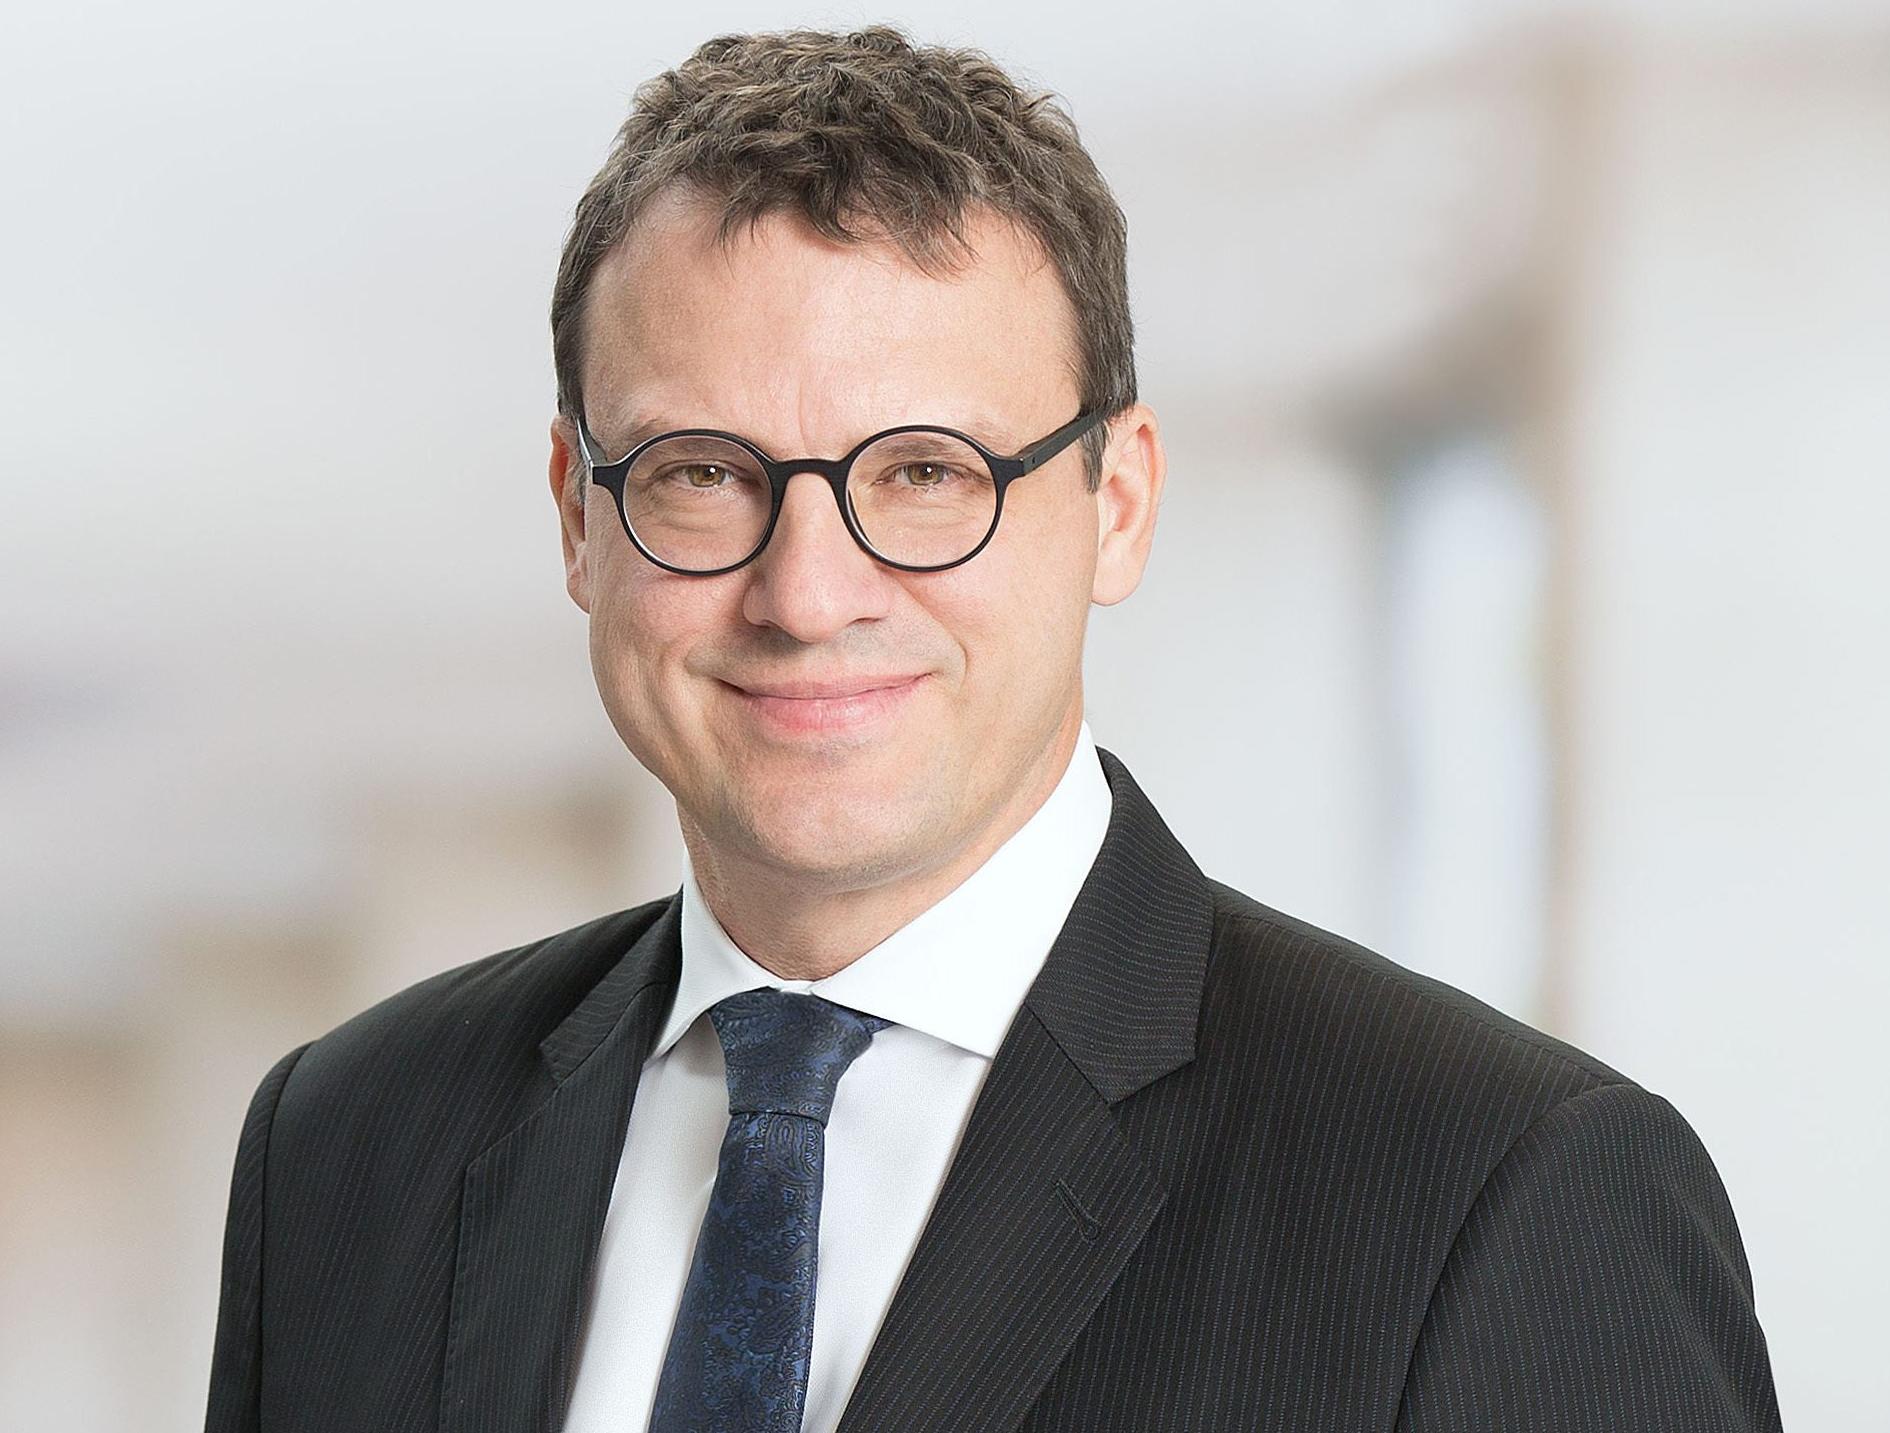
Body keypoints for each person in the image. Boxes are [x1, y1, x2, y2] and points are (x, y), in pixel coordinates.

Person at [203, 25, 1782, 1433]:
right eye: (702, 475)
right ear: (577, 515)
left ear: (1118, 502)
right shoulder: (349, 1145)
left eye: (923, 476)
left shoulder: (1493, 1189)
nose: (805, 593)